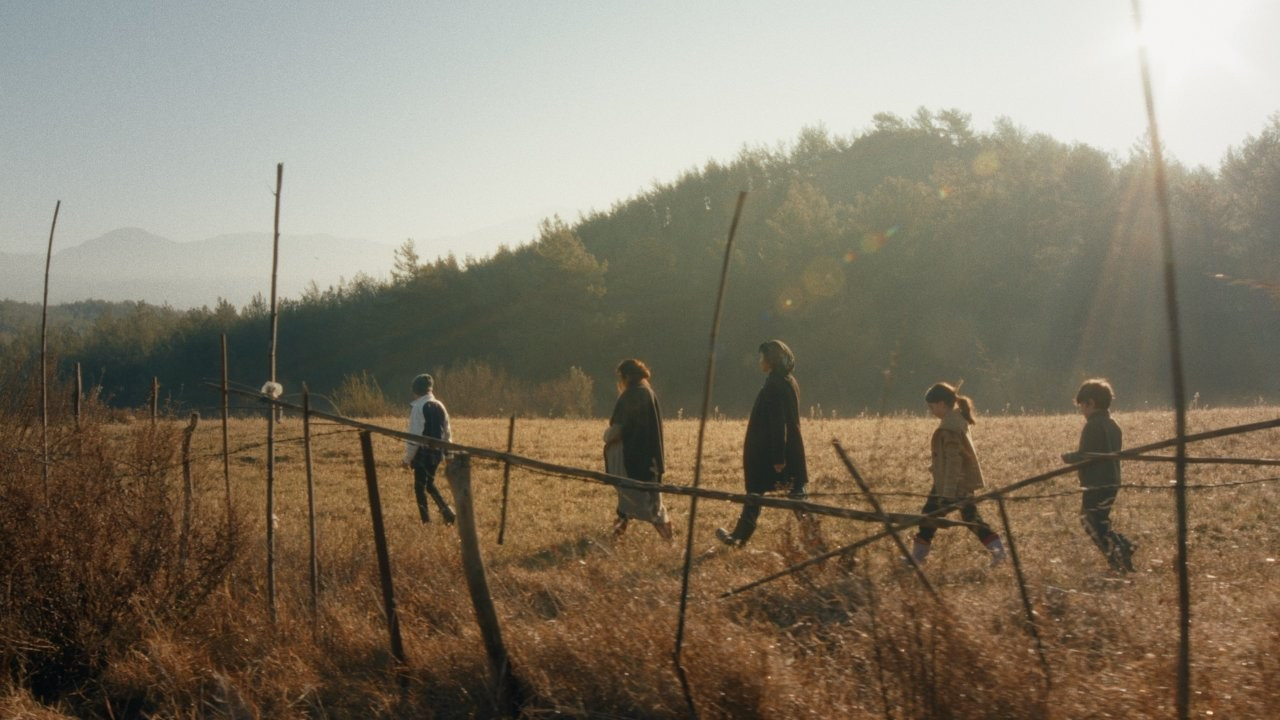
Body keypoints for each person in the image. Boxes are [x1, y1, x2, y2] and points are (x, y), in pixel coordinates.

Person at [716, 340, 810, 547]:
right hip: (787, 449)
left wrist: (778, 458)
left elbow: (779, 423)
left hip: (771, 453)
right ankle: (740, 536)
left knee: (760, 494)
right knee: (793, 495)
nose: (760, 362)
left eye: (762, 358)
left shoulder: (775, 385)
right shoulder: (786, 380)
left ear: (771, 360)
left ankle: (740, 537)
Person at [910, 382, 1006, 567]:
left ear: (942, 404)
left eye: (932, 407)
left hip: (950, 485)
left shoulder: (950, 428)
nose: (931, 411)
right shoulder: (954, 422)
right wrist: (936, 466)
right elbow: (949, 458)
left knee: (929, 516)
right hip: (952, 482)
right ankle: (999, 552)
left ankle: (916, 559)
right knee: (970, 518)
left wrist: (948, 490)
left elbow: (955, 461)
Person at [1061, 378, 1135, 572]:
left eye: (1082, 406)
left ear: (1091, 403)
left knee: (1089, 521)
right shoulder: (1113, 425)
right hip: (1112, 480)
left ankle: (1118, 553)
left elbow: (1086, 455)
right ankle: (1122, 550)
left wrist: (1067, 457)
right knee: (1100, 520)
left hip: (1096, 482)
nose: (1082, 411)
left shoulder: (1092, 426)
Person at [604, 359, 674, 540]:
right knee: (629, 505)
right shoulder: (647, 392)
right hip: (649, 460)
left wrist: (607, 437)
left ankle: (670, 541)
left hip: (633, 460)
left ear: (626, 376)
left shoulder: (631, 395)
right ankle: (614, 538)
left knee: (650, 507)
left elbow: (618, 429)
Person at [401, 373, 456, 525]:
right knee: (430, 484)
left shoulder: (418, 407)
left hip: (422, 452)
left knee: (420, 487)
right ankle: (447, 512)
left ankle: (426, 521)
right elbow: (447, 431)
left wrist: (407, 458)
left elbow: (414, 435)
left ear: (415, 390)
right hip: (437, 452)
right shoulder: (440, 405)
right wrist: (449, 453)